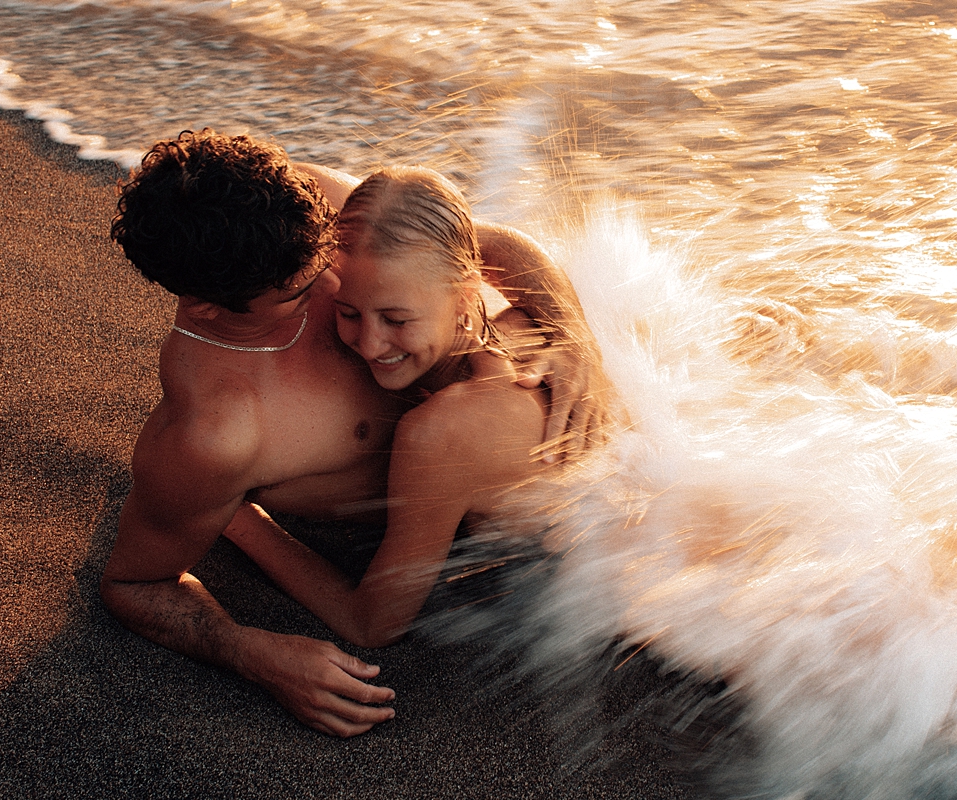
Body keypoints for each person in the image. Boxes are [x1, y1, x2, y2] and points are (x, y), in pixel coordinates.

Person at [100, 130, 606, 738]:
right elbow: (133, 584)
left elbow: (482, 244)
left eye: (324, 255)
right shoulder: (214, 432)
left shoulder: (300, 213)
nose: (337, 283)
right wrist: (253, 652)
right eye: (301, 290)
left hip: (531, 446)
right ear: (206, 307)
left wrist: (578, 338)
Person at [222, 166, 613, 649]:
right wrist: (578, 341)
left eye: (396, 319)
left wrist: (238, 520)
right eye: (349, 313)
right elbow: (490, 242)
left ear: (468, 294)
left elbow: (371, 623)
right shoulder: (518, 323)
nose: (369, 342)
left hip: (618, 577)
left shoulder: (441, 432)